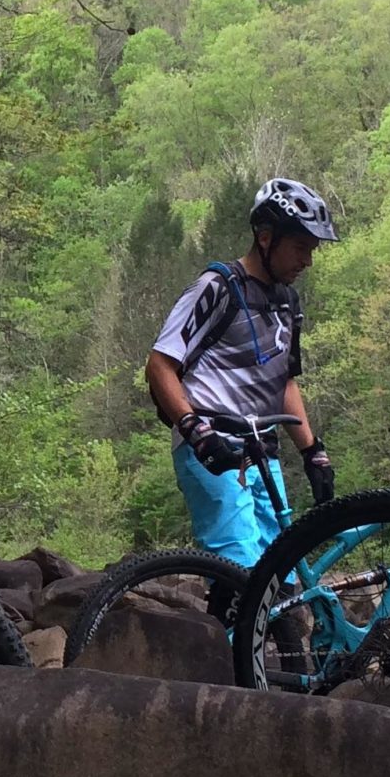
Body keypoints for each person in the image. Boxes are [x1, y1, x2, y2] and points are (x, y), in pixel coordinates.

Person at [145, 178, 340, 567]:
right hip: (211, 444)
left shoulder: (287, 301)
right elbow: (160, 365)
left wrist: (312, 452)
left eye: (312, 250)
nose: (307, 261)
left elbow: (284, 381)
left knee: (281, 576)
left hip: (261, 450)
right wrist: (194, 431)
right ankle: (227, 624)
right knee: (241, 570)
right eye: (301, 247)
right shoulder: (216, 287)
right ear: (266, 238)